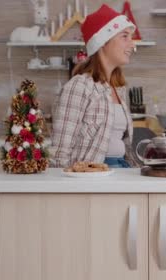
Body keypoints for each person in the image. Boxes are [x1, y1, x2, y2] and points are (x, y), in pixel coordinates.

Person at [51, 4, 139, 168]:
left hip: (122, 168)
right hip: (93, 174)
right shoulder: (79, 86)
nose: (132, 44)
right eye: (124, 36)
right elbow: (60, 151)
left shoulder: (117, 88)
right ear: (103, 42)